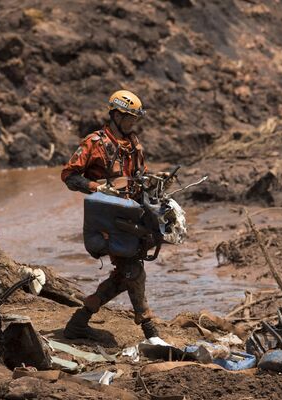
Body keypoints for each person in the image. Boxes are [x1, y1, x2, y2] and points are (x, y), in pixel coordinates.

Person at [60, 90, 159, 340]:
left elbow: (141, 174)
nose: (132, 123)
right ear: (115, 114)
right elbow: (69, 176)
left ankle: (79, 322)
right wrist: (96, 187)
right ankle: (150, 331)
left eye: (134, 119)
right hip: (107, 218)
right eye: (128, 118)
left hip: (132, 214)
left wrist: (155, 182)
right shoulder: (94, 142)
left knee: (126, 270)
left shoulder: (134, 142)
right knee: (132, 269)